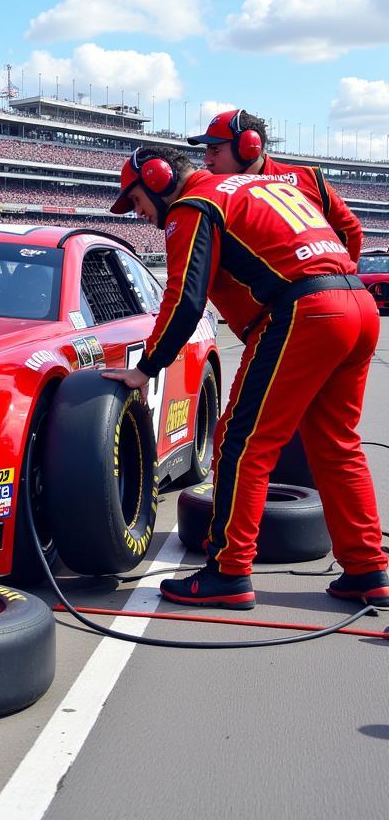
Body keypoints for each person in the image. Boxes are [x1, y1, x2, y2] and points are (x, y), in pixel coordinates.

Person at [102, 146, 387, 609]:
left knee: (240, 441)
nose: (138, 214)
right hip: (357, 304)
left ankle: (228, 571)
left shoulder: (193, 204)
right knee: (337, 444)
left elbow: (183, 300)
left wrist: (146, 368)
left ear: (156, 177)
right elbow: (345, 230)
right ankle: (368, 570)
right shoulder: (259, 186)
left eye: (135, 201)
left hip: (303, 314)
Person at [189, 109, 362, 261]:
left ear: (248, 147)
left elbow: (351, 230)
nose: (207, 160)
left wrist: (345, 276)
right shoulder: (214, 193)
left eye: (215, 150)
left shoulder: (309, 178)